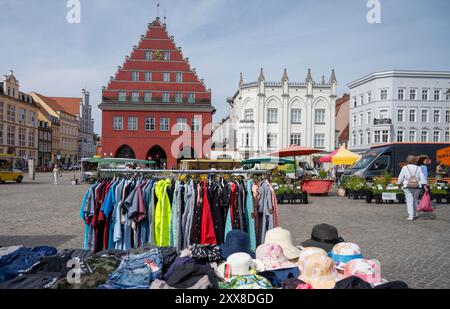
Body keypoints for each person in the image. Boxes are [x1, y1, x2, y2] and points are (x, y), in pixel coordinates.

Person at [397, 155, 427, 221]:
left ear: (408, 161)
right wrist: (425, 186)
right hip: (417, 186)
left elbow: (400, 177)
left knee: (409, 200)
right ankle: (416, 213)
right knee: (415, 200)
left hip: (407, 186)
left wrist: (399, 184)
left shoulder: (405, 167)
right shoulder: (418, 168)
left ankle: (411, 216)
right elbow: (422, 177)